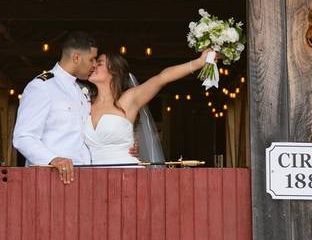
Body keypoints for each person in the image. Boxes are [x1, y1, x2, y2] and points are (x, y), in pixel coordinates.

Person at [85, 48, 214, 166]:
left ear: (114, 71)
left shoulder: (129, 99)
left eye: (99, 63)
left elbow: (162, 78)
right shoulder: (83, 101)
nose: (93, 66)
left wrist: (199, 62)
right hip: (88, 174)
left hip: (124, 172)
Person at [12, 31, 99, 185]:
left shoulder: (81, 91)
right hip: (51, 178)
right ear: (76, 57)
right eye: (92, 59)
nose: (94, 65)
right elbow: (23, 137)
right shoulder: (42, 86)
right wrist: (52, 159)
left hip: (84, 177)